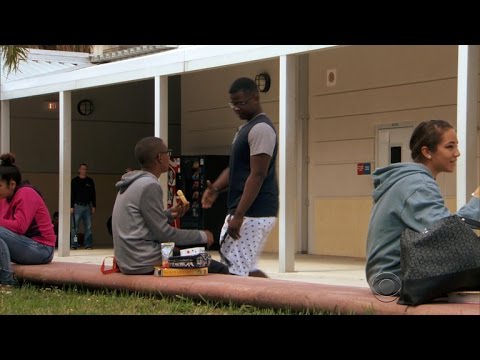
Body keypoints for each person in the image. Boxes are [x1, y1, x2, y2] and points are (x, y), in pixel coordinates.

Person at [366, 119, 480, 296]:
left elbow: (446, 229)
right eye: (449, 147)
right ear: (427, 151)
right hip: (393, 279)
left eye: (456, 146)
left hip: (388, 276)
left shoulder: (408, 180)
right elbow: (449, 234)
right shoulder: (417, 184)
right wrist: (477, 200)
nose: (457, 153)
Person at [111, 136, 229, 275]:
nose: (170, 157)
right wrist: (203, 235)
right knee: (220, 269)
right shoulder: (150, 186)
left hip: (129, 260)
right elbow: (164, 234)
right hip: (144, 261)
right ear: (159, 157)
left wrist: (168, 215)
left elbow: (140, 224)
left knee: (185, 253)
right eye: (168, 153)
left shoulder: (132, 183)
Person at [201, 77, 279, 277]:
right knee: (244, 268)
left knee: (235, 271)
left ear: (255, 97)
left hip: (253, 212)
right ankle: (276, 300)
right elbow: (235, 168)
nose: (236, 108)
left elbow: (258, 174)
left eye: (240, 103)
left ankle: (272, 301)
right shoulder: (245, 129)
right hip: (246, 212)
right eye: (232, 104)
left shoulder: (261, 129)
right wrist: (215, 188)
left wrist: (239, 215)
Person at [0, 153, 56, 287]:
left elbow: (20, 226)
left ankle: (7, 281)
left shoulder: (26, 193)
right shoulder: (4, 199)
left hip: (42, 249)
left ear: (12, 184)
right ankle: (5, 281)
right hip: (25, 245)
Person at [70, 163, 96, 249]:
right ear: (79, 170)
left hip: (87, 206)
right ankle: (74, 244)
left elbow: (93, 194)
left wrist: (93, 206)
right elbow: (72, 194)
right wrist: (71, 206)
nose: (84, 170)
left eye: (85, 169)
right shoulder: (74, 181)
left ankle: (88, 244)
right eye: (82, 169)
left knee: (88, 227)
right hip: (77, 206)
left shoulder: (90, 181)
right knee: (74, 227)